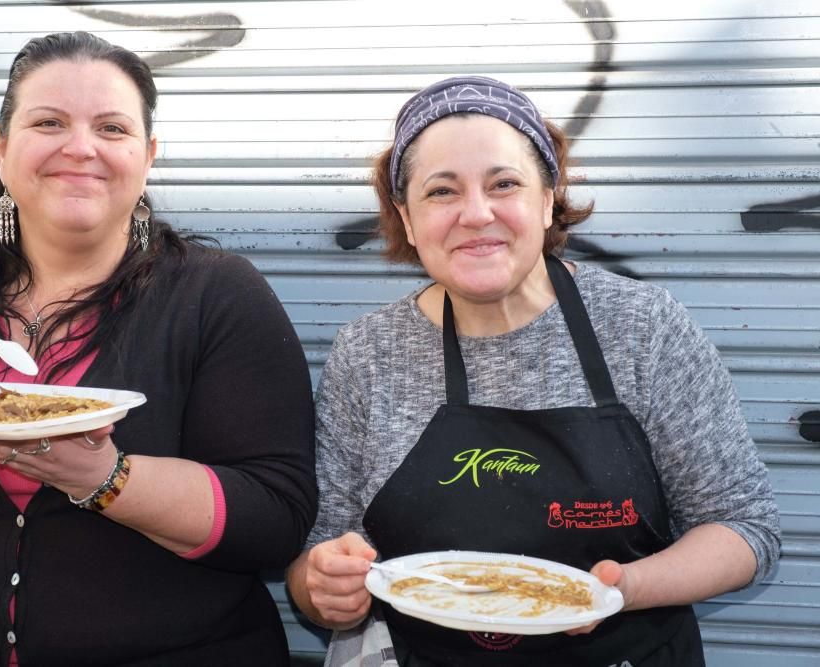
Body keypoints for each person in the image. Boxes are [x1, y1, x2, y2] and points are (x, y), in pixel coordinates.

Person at [0, 32, 316, 666]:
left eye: (111, 128)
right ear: (1, 149)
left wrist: (107, 479)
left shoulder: (216, 294)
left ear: (148, 156)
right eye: (49, 121)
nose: (80, 147)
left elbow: (273, 519)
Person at [286, 76, 781, 666]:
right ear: (407, 219)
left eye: (505, 184)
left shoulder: (643, 328)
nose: (476, 213)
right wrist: (323, 589)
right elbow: (320, 554)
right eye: (442, 192)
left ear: (548, 198)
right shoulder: (368, 351)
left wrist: (617, 591)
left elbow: (744, 529)